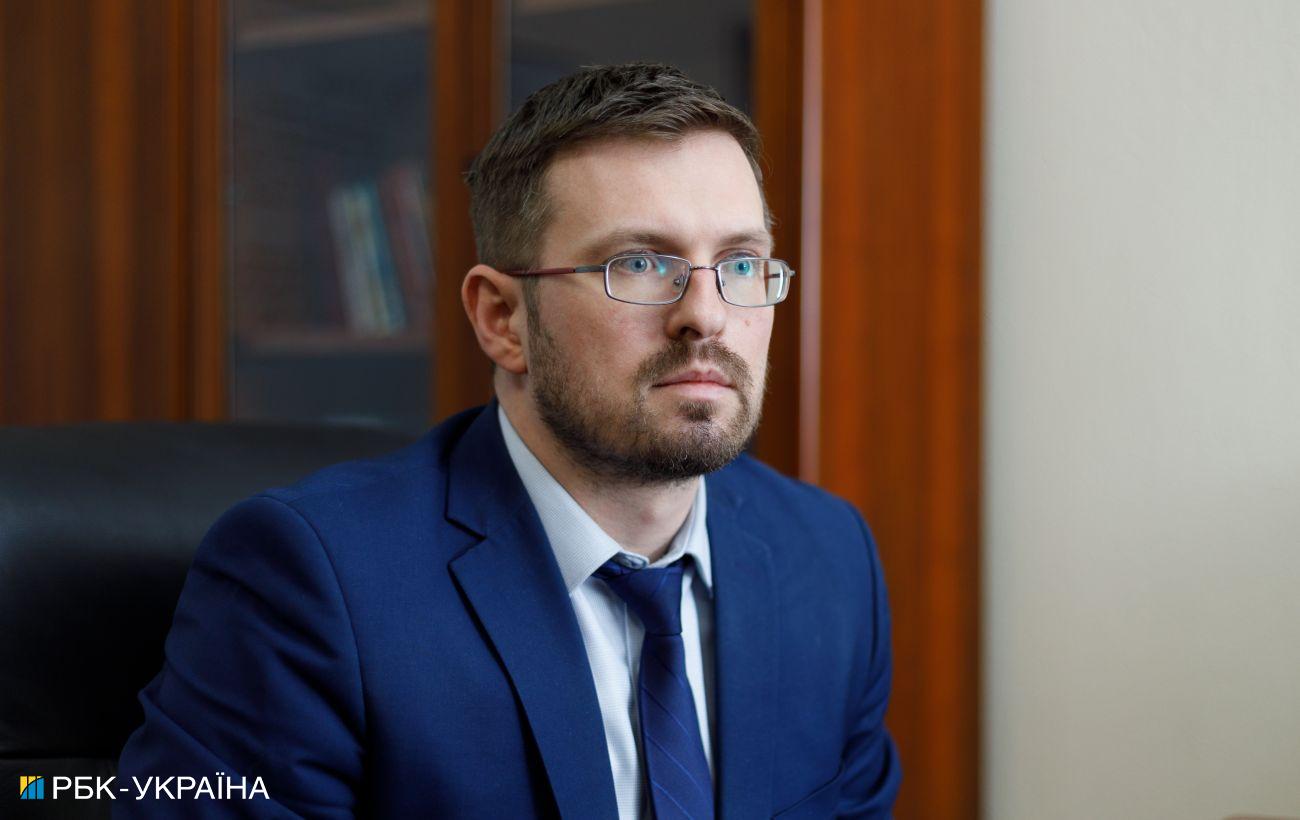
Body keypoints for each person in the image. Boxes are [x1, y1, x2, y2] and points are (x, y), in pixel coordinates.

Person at [116, 62, 899, 819]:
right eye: (639, 262)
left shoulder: (829, 559)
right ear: (502, 319)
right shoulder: (311, 583)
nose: (707, 314)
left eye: (741, 263)